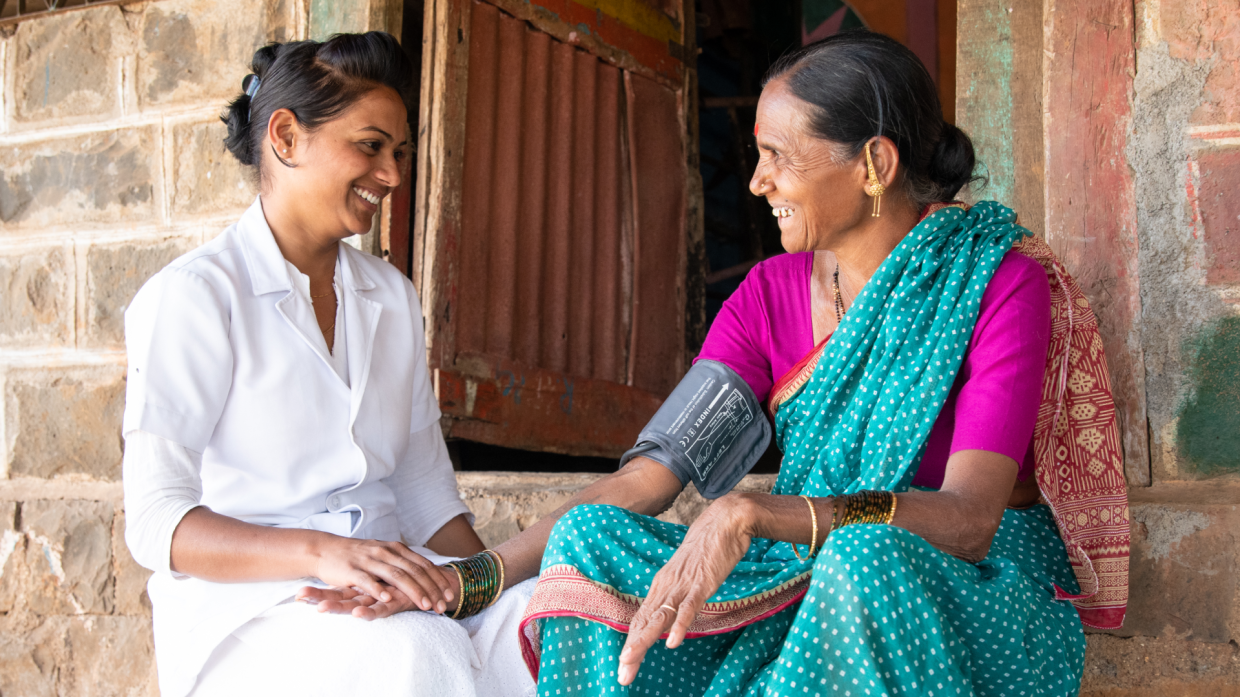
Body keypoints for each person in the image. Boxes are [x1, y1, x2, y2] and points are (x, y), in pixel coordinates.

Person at [303, 30, 1130, 697]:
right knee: (592, 537)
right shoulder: (769, 296)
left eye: (780, 155)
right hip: (805, 570)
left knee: (863, 558)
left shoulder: (994, 280)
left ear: (874, 165)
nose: (759, 181)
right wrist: (470, 580)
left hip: (963, 593)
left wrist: (762, 512)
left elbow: (969, 518)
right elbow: (643, 484)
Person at [122, 32, 535, 697]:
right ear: (286, 137)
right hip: (253, 615)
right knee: (415, 649)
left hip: (382, 592)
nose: (392, 175)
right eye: (371, 146)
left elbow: (424, 491)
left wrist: (481, 590)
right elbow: (155, 521)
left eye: (399, 153)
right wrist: (325, 553)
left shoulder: (391, 297)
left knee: (541, 615)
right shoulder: (196, 296)